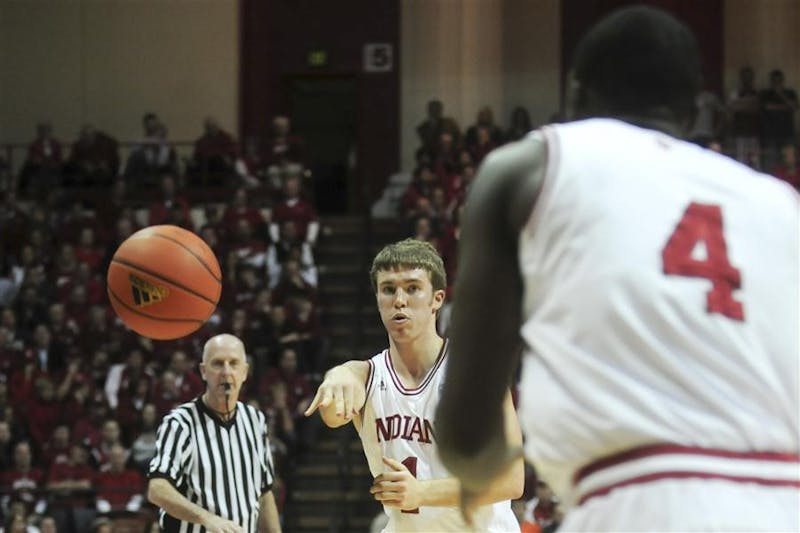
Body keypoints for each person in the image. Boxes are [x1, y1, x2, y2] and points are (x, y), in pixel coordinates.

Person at [434, 5, 799, 532]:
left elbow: (468, 438)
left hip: (636, 501)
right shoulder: (780, 204)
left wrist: (470, 486)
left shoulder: (529, 166)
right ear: (695, 111)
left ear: (573, 95)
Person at [305, 239, 523, 532]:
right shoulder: (365, 377)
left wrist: (421, 493)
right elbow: (333, 416)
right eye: (388, 289)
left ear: (437, 299)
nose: (399, 300)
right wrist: (339, 374)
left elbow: (510, 480)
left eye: (412, 288)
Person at [147, 334, 281, 533]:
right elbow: (157, 489)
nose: (226, 372)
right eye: (217, 364)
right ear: (203, 371)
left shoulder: (255, 420)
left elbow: (264, 493)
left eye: (234, 364)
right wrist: (207, 519)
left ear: (244, 372)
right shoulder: (180, 423)